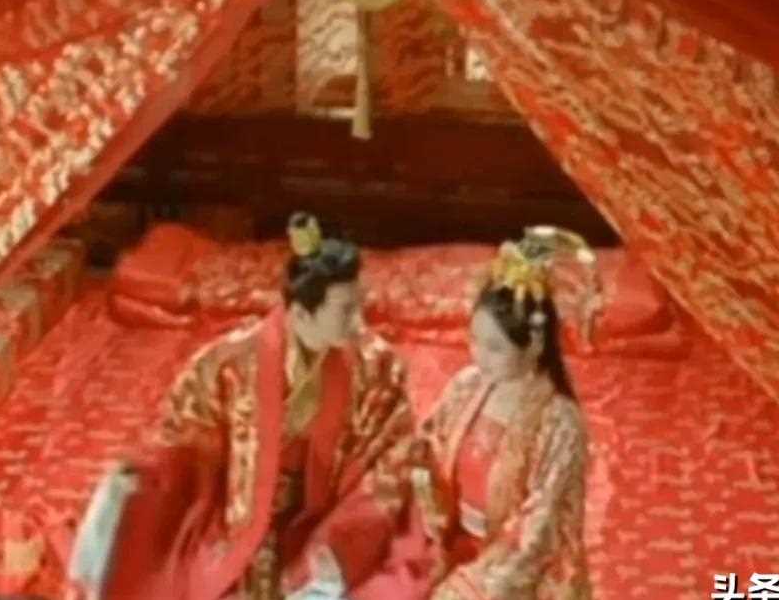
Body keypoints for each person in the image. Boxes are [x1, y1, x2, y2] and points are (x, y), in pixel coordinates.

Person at [68, 213, 414, 600]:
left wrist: (341, 538)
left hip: (326, 519)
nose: (360, 322)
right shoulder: (229, 364)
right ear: (301, 313)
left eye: (360, 305)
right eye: (346, 311)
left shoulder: (377, 366)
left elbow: (390, 458)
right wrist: (146, 470)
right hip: (241, 517)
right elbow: (185, 436)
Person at [360, 229, 592, 600]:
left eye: (494, 347)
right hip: (448, 536)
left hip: (513, 562)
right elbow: (429, 445)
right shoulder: (467, 384)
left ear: (534, 344)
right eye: (474, 340)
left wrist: (482, 582)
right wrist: (415, 475)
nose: (478, 356)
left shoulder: (559, 422)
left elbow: (541, 523)